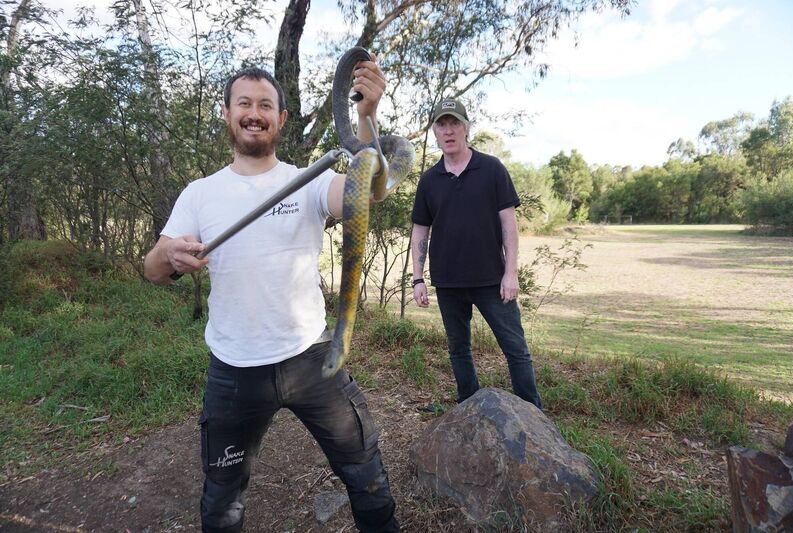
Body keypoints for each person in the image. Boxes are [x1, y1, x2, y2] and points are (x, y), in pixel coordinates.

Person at [144, 58, 399, 533]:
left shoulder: (310, 182)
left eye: (266, 105)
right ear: (227, 113)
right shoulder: (200, 194)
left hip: (312, 360)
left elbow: (371, 188)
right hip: (234, 371)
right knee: (222, 501)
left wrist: (367, 116)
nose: (254, 112)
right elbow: (153, 268)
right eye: (244, 103)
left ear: (282, 119)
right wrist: (171, 257)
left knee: (367, 477)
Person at [410, 98, 543, 409]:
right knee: (459, 349)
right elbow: (420, 230)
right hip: (448, 282)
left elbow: (509, 224)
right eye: (442, 124)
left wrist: (511, 273)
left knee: (515, 348)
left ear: (466, 128)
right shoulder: (429, 180)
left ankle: (534, 414)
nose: (448, 130)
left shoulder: (492, 169)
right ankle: (469, 411)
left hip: (491, 280)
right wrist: (417, 278)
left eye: (454, 123)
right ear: (435, 132)